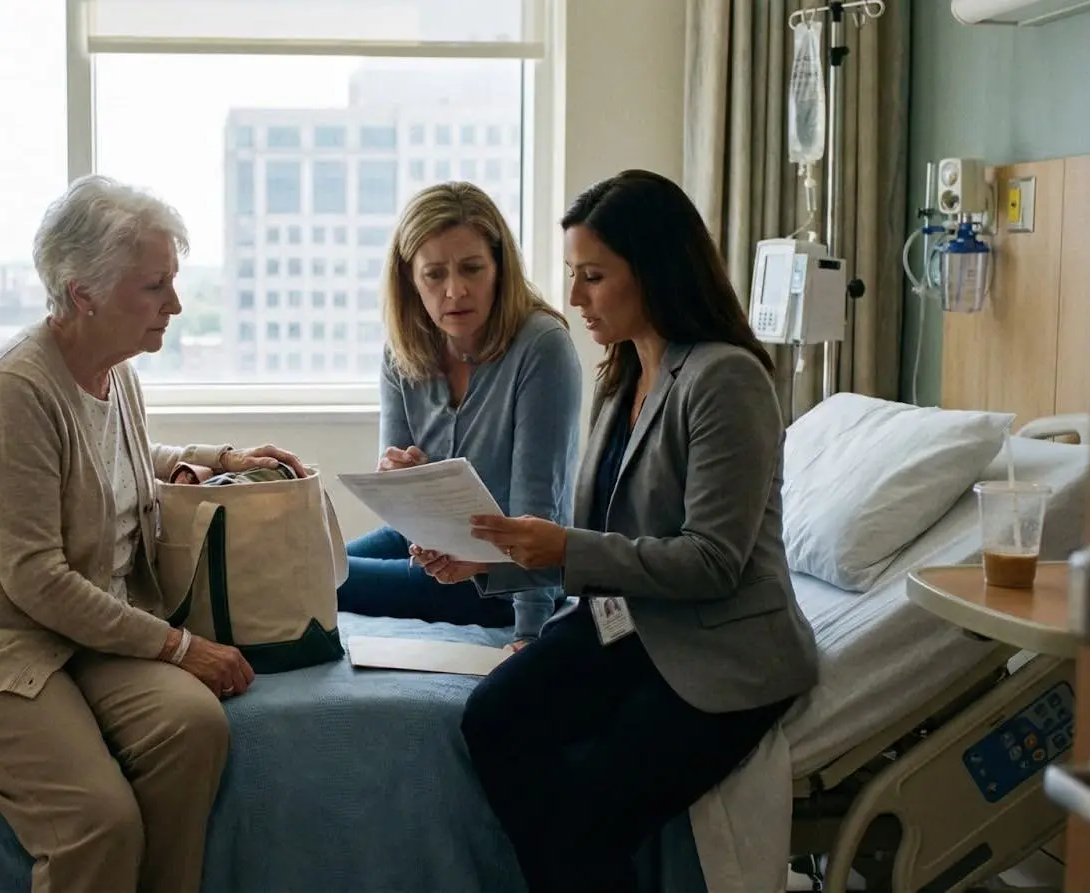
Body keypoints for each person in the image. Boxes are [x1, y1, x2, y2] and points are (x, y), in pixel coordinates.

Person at [0, 174, 308, 893]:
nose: (174, 304)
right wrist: (182, 646)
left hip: (73, 631)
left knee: (193, 726)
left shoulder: (113, 371)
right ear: (82, 291)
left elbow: (113, 460)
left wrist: (220, 459)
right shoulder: (15, 390)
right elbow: (35, 578)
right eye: (154, 287)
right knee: (97, 820)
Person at [414, 170, 820, 891]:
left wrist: (563, 547)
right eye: (574, 275)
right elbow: (600, 544)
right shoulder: (623, 374)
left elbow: (714, 562)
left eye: (594, 277)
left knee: (587, 803)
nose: (574, 299)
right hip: (631, 623)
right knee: (493, 719)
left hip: (723, 649)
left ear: (656, 270)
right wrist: (487, 566)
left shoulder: (726, 380)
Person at [337, 181, 583, 647]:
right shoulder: (402, 350)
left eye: (472, 268)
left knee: (324, 581)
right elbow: (400, 503)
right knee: (313, 569)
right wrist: (399, 476)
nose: (456, 291)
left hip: (504, 574)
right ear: (410, 279)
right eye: (434, 275)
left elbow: (539, 512)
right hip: (427, 543)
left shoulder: (541, 345)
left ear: (499, 269)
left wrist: (529, 635)